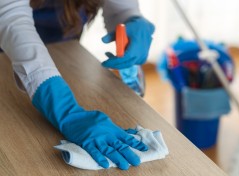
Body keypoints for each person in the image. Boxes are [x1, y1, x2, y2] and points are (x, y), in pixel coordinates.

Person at [0, 0, 155, 170]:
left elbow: (120, 9)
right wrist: (65, 108)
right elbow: (10, 15)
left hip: (64, 57)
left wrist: (129, 17)